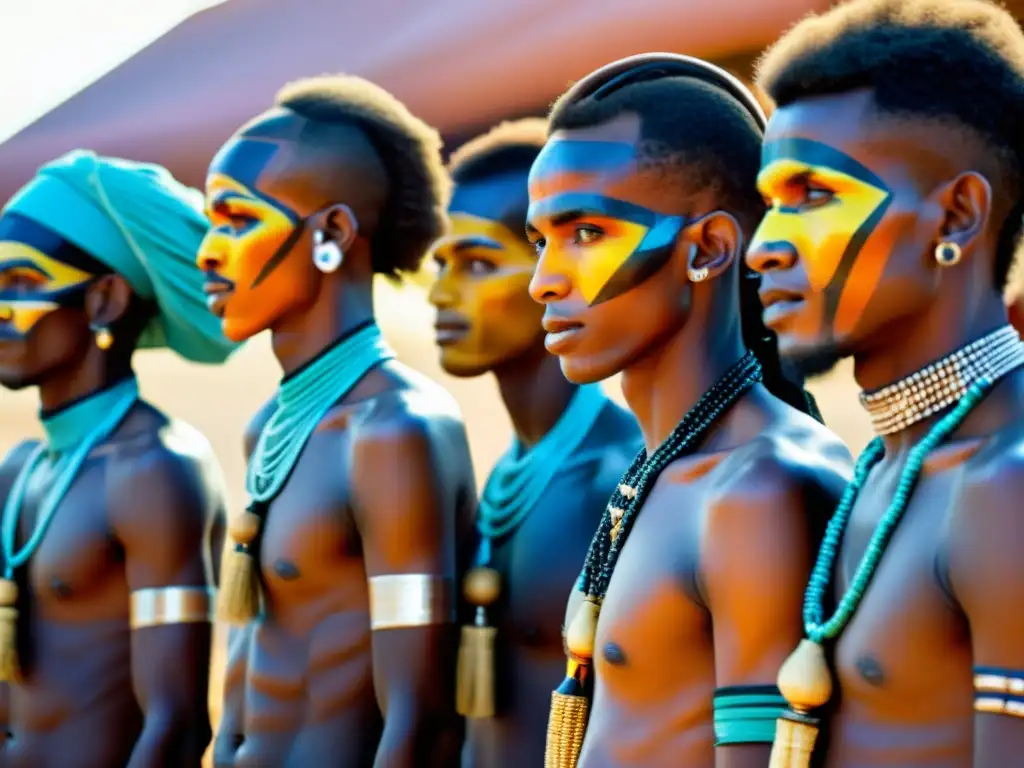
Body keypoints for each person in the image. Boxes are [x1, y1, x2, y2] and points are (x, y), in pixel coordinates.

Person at [526, 53, 852, 768]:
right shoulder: (662, 469)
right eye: (539, 241)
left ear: (706, 249)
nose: (545, 282)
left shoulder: (757, 492)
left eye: (586, 233)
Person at [747, 1, 1024, 765]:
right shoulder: (885, 465)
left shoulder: (1007, 484)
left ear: (957, 217)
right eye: (771, 204)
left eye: (813, 195)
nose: (764, 248)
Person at [200, 74, 475, 768]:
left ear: (331, 233)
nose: (208, 250)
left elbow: (421, 721)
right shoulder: (271, 425)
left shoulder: (393, 433)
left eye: (237, 219)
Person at [0, 150, 236, 767]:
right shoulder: (19, 470)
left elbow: (177, 723)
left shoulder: (156, 469)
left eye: (21, 283)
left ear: (104, 300)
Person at [427, 118, 643, 768]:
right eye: (441, 264)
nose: (440, 294)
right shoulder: (507, 473)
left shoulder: (618, 477)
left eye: (476, 263)